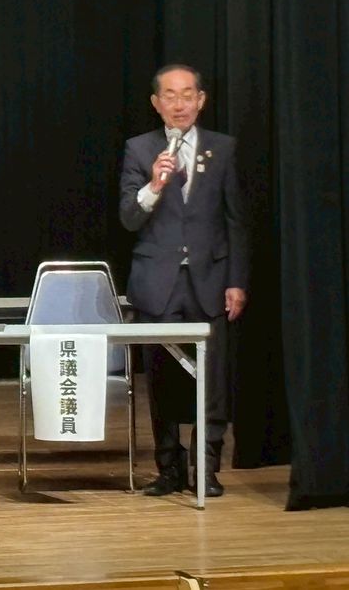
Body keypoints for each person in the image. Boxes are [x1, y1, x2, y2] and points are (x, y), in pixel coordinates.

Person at [119, 64, 248, 498]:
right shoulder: (139, 149)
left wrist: (236, 280)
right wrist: (154, 185)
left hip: (210, 281)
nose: (180, 104)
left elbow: (236, 222)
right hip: (158, 283)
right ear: (156, 103)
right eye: (170, 96)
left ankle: (206, 468)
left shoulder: (223, 148)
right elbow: (129, 217)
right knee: (162, 380)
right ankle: (169, 469)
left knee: (212, 381)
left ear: (201, 100)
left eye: (188, 94)